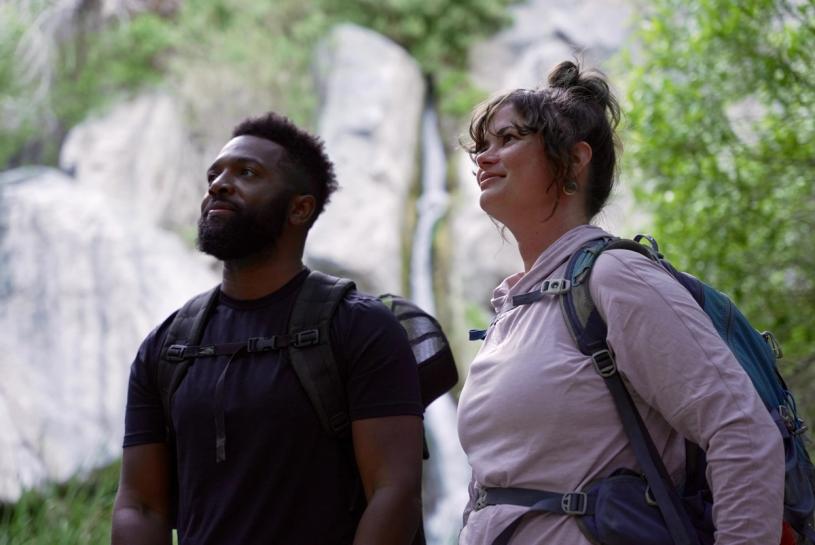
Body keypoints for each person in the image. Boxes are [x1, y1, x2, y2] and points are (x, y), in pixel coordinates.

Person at [456, 61, 785, 544]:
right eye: (482, 146)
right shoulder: (512, 311)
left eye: (507, 139)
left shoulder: (614, 276)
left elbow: (743, 433)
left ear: (573, 160)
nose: (484, 157)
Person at [111, 112, 424, 545]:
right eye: (214, 174)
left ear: (300, 207)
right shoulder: (168, 345)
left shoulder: (359, 327)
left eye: (247, 173)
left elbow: (395, 492)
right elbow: (139, 505)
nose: (219, 184)